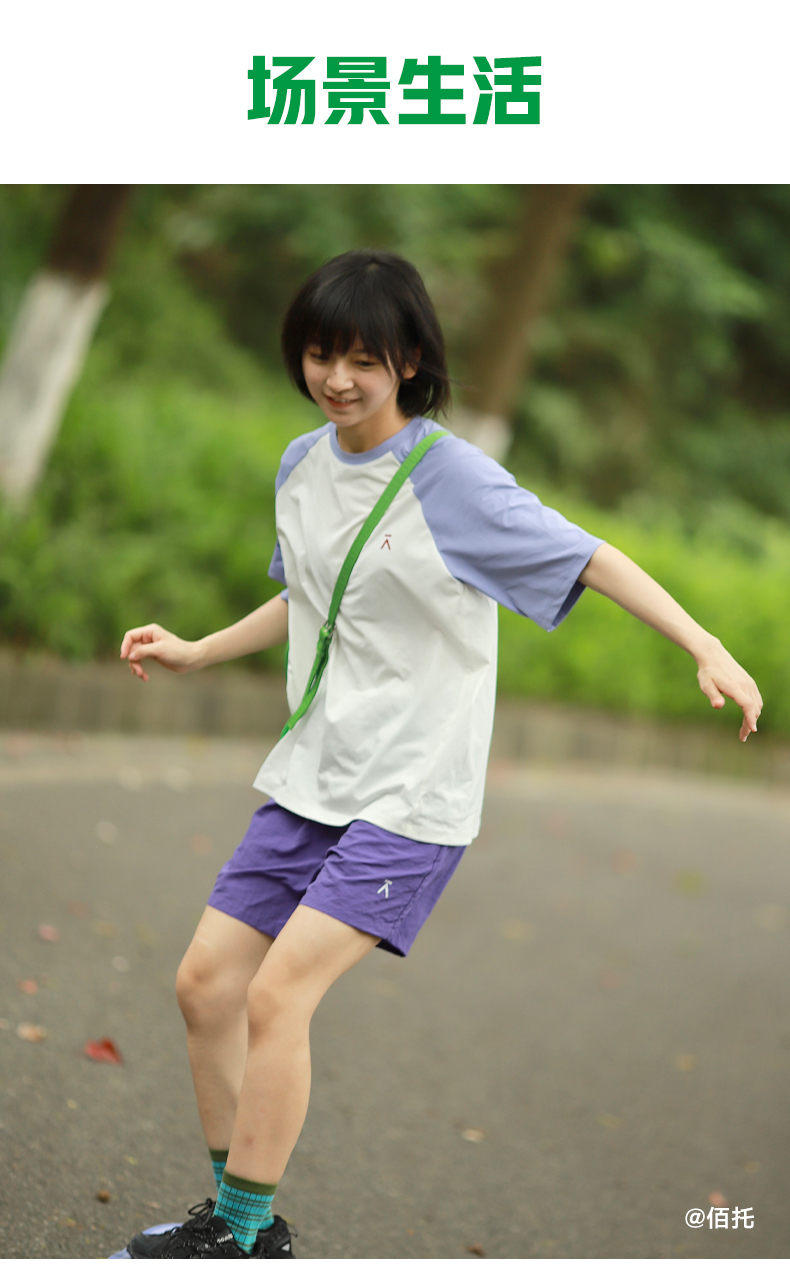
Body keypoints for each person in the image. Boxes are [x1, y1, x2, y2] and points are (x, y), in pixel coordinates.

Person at [118, 250, 762, 1259]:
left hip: (412, 796)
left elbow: (590, 556)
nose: (337, 378)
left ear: (410, 361)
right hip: (316, 773)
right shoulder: (301, 463)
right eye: (320, 354)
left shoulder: (451, 480)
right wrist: (200, 649)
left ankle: (239, 1237)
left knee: (279, 994)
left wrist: (704, 644)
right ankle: (235, 1219)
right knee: (206, 984)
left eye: (362, 359)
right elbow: (309, 595)